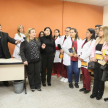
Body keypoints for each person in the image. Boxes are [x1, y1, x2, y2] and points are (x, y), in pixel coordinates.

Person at [20, 28, 44, 92]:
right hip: (29, 60)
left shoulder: (37, 40)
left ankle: (38, 86)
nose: (34, 33)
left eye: (35, 32)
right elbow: (21, 51)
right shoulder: (24, 41)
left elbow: (39, 49)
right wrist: (24, 60)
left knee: (37, 73)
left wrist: (42, 48)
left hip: (38, 60)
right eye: (33, 32)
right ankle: (32, 86)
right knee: (31, 74)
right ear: (29, 33)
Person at [90, 26, 108, 100]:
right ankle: (94, 93)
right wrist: (93, 57)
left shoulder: (107, 41)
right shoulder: (97, 40)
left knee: (101, 79)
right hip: (96, 61)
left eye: (101, 31)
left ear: (105, 32)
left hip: (103, 63)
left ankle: (100, 94)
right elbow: (92, 50)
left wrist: (105, 57)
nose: (99, 32)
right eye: (99, 30)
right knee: (96, 78)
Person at [79, 28, 96, 93]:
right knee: (83, 74)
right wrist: (79, 56)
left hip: (87, 60)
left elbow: (90, 51)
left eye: (87, 32)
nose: (86, 33)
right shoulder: (84, 40)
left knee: (87, 75)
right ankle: (84, 86)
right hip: (82, 59)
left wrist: (82, 57)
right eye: (86, 32)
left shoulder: (93, 41)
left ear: (91, 34)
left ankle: (88, 88)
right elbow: (80, 49)